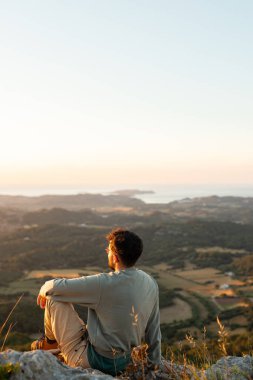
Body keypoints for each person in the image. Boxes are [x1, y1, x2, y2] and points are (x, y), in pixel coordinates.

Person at [31, 228, 161, 375]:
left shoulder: (105, 283)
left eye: (109, 250)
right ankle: (55, 347)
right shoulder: (150, 282)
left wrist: (43, 291)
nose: (107, 252)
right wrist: (153, 367)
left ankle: (50, 343)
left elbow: (52, 287)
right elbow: (154, 331)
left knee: (54, 299)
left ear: (115, 257)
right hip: (122, 361)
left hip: (92, 360)